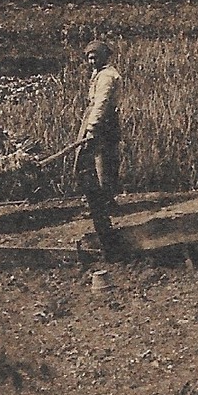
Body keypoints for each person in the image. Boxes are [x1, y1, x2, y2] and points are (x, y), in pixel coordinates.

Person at [75, 39, 122, 257]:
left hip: (103, 122)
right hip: (100, 120)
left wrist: (92, 128)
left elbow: (101, 104)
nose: (92, 60)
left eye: (95, 56)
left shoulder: (106, 77)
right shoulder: (99, 73)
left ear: (104, 57)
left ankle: (102, 202)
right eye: (89, 57)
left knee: (100, 160)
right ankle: (106, 199)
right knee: (103, 160)